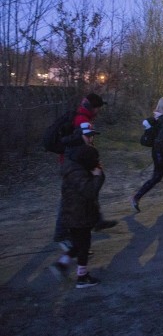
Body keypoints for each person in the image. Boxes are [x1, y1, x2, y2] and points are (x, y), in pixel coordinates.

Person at [50, 125, 105, 288]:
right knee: (84, 244)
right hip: (78, 214)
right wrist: (98, 176)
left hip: (74, 212)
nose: (91, 139)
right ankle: (82, 277)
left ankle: (61, 265)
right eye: (88, 136)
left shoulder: (74, 163)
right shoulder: (78, 168)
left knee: (78, 243)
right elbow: (90, 191)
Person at [72, 93, 116, 231]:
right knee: (80, 194)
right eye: (97, 108)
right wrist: (92, 163)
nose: (99, 110)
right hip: (79, 162)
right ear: (92, 107)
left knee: (90, 190)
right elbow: (83, 144)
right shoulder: (82, 120)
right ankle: (65, 231)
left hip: (80, 160)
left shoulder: (83, 117)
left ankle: (97, 219)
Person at [130, 96, 163, 212]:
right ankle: (136, 197)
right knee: (158, 177)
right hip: (161, 153)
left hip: (160, 151)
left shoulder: (160, 117)